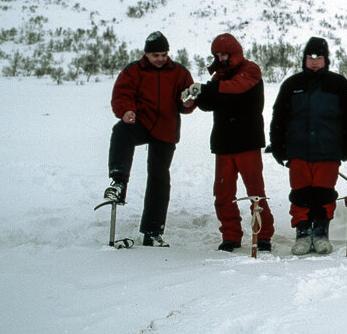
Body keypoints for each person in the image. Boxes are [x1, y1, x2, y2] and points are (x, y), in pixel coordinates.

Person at [103, 31, 195, 247]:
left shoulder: (179, 72)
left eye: (163, 54)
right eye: (156, 55)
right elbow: (121, 95)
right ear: (146, 54)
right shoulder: (134, 71)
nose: (160, 59)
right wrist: (126, 111)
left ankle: (152, 231)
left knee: (159, 177)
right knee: (121, 131)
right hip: (141, 122)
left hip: (166, 128)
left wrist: (188, 104)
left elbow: (186, 98)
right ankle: (118, 182)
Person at [269, 37, 347, 255]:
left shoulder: (338, 84)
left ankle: (320, 233)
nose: (315, 61)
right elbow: (278, 117)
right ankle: (302, 234)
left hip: (328, 150)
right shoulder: (292, 85)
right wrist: (278, 145)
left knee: (324, 194)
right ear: (305, 59)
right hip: (298, 151)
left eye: (319, 57)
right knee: (300, 193)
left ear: (326, 59)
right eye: (311, 57)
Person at [192, 33, 275, 253]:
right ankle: (230, 235)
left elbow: (237, 88)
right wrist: (196, 95)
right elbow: (208, 103)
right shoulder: (218, 79)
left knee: (256, 192)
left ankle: (264, 234)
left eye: (224, 54)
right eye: (217, 55)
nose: (220, 59)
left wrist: (205, 90)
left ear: (234, 53)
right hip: (224, 143)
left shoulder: (250, 70)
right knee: (223, 193)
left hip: (247, 142)